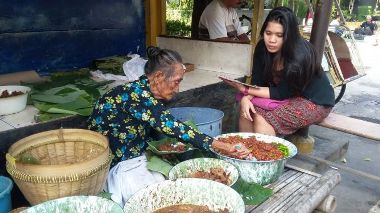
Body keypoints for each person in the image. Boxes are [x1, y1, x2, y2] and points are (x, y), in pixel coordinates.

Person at [88, 46, 249, 206]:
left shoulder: (144, 89)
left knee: (165, 182)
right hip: (116, 164)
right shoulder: (137, 96)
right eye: (176, 82)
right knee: (151, 197)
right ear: (158, 76)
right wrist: (224, 146)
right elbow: (176, 128)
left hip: (135, 155)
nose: (178, 89)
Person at [221, 7, 335, 136]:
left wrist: (245, 90)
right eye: (268, 33)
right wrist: (246, 98)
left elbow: (281, 92)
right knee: (246, 108)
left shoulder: (300, 54)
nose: (272, 40)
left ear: (289, 36)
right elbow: (257, 82)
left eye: (279, 35)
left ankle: (264, 155)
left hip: (314, 101)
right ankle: (244, 153)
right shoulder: (262, 48)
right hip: (288, 95)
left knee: (261, 117)